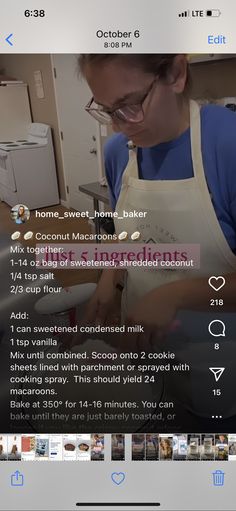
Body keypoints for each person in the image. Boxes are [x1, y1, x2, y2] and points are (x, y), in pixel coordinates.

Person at [79, 54, 236, 344]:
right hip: (144, 355)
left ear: (176, 73)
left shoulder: (227, 144)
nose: (118, 126)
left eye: (128, 105)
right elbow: (128, 235)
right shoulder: (118, 153)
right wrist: (108, 279)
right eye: (107, 110)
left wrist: (175, 295)